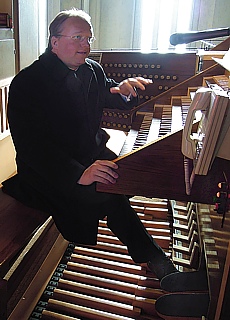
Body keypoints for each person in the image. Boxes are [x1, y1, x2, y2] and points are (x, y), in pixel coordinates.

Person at [2, 8, 177, 280]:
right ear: (55, 42)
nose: (86, 45)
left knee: (125, 174)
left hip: (89, 154)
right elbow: (31, 147)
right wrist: (77, 174)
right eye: (78, 37)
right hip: (49, 172)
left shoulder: (91, 69)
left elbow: (108, 91)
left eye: (89, 38)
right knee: (110, 195)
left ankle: (152, 256)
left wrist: (124, 90)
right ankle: (158, 264)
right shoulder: (28, 83)